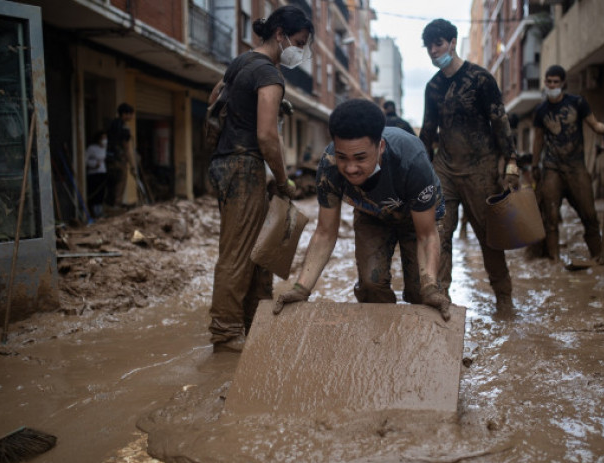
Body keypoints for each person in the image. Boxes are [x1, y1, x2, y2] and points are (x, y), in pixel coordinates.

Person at [274, 99, 450, 321]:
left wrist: (431, 287)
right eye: (342, 157)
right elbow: (325, 233)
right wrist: (301, 288)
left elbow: (426, 235)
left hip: (418, 219)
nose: (350, 168)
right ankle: (381, 342)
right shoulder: (329, 167)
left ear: (380, 148)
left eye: (360, 158)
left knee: (422, 293)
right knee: (371, 283)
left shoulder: (411, 161)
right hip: (372, 215)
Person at [208, 6, 313, 353]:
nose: (300, 51)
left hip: (226, 162)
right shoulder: (269, 73)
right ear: (280, 34)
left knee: (255, 248)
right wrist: (283, 181)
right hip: (244, 165)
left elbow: (215, 100)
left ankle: (255, 320)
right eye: (298, 43)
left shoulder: (241, 63)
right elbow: (268, 136)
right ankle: (225, 332)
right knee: (238, 252)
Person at [418, 18, 520, 312]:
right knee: (439, 235)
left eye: (438, 44)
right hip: (445, 171)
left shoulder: (480, 79)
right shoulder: (432, 87)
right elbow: (428, 131)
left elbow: (500, 120)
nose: (434, 51)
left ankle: (504, 299)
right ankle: (440, 298)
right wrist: (421, 171)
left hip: (482, 170)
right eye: (429, 47)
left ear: (452, 42)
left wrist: (510, 162)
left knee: (490, 238)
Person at [531, 65, 604, 263]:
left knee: (589, 214)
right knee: (551, 218)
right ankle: (554, 260)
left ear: (562, 84)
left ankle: (597, 256)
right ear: (545, 82)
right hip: (552, 168)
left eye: (555, 82)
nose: (552, 85)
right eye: (549, 82)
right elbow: (538, 140)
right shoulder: (541, 110)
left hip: (576, 167)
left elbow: (595, 125)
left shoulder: (578, 103)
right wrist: (535, 165)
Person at [105, 103, 134, 208]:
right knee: (120, 185)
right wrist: (132, 164)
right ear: (125, 114)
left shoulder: (112, 124)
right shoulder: (124, 128)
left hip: (109, 159)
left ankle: (108, 206)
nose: (131, 117)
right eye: (130, 114)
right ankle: (116, 208)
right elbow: (126, 147)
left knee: (110, 185)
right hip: (119, 159)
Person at [85, 130, 108, 218]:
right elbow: (85, 160)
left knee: (101, 193)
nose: (105, 140)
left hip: (102, 172)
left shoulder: (104, 148)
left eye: (106, 138)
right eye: (103, 138)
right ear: (98, 139)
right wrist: (94, 165)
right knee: (94, 193)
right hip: (94, 173)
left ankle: (100, 211)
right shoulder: (91, 148)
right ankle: (95, 212)